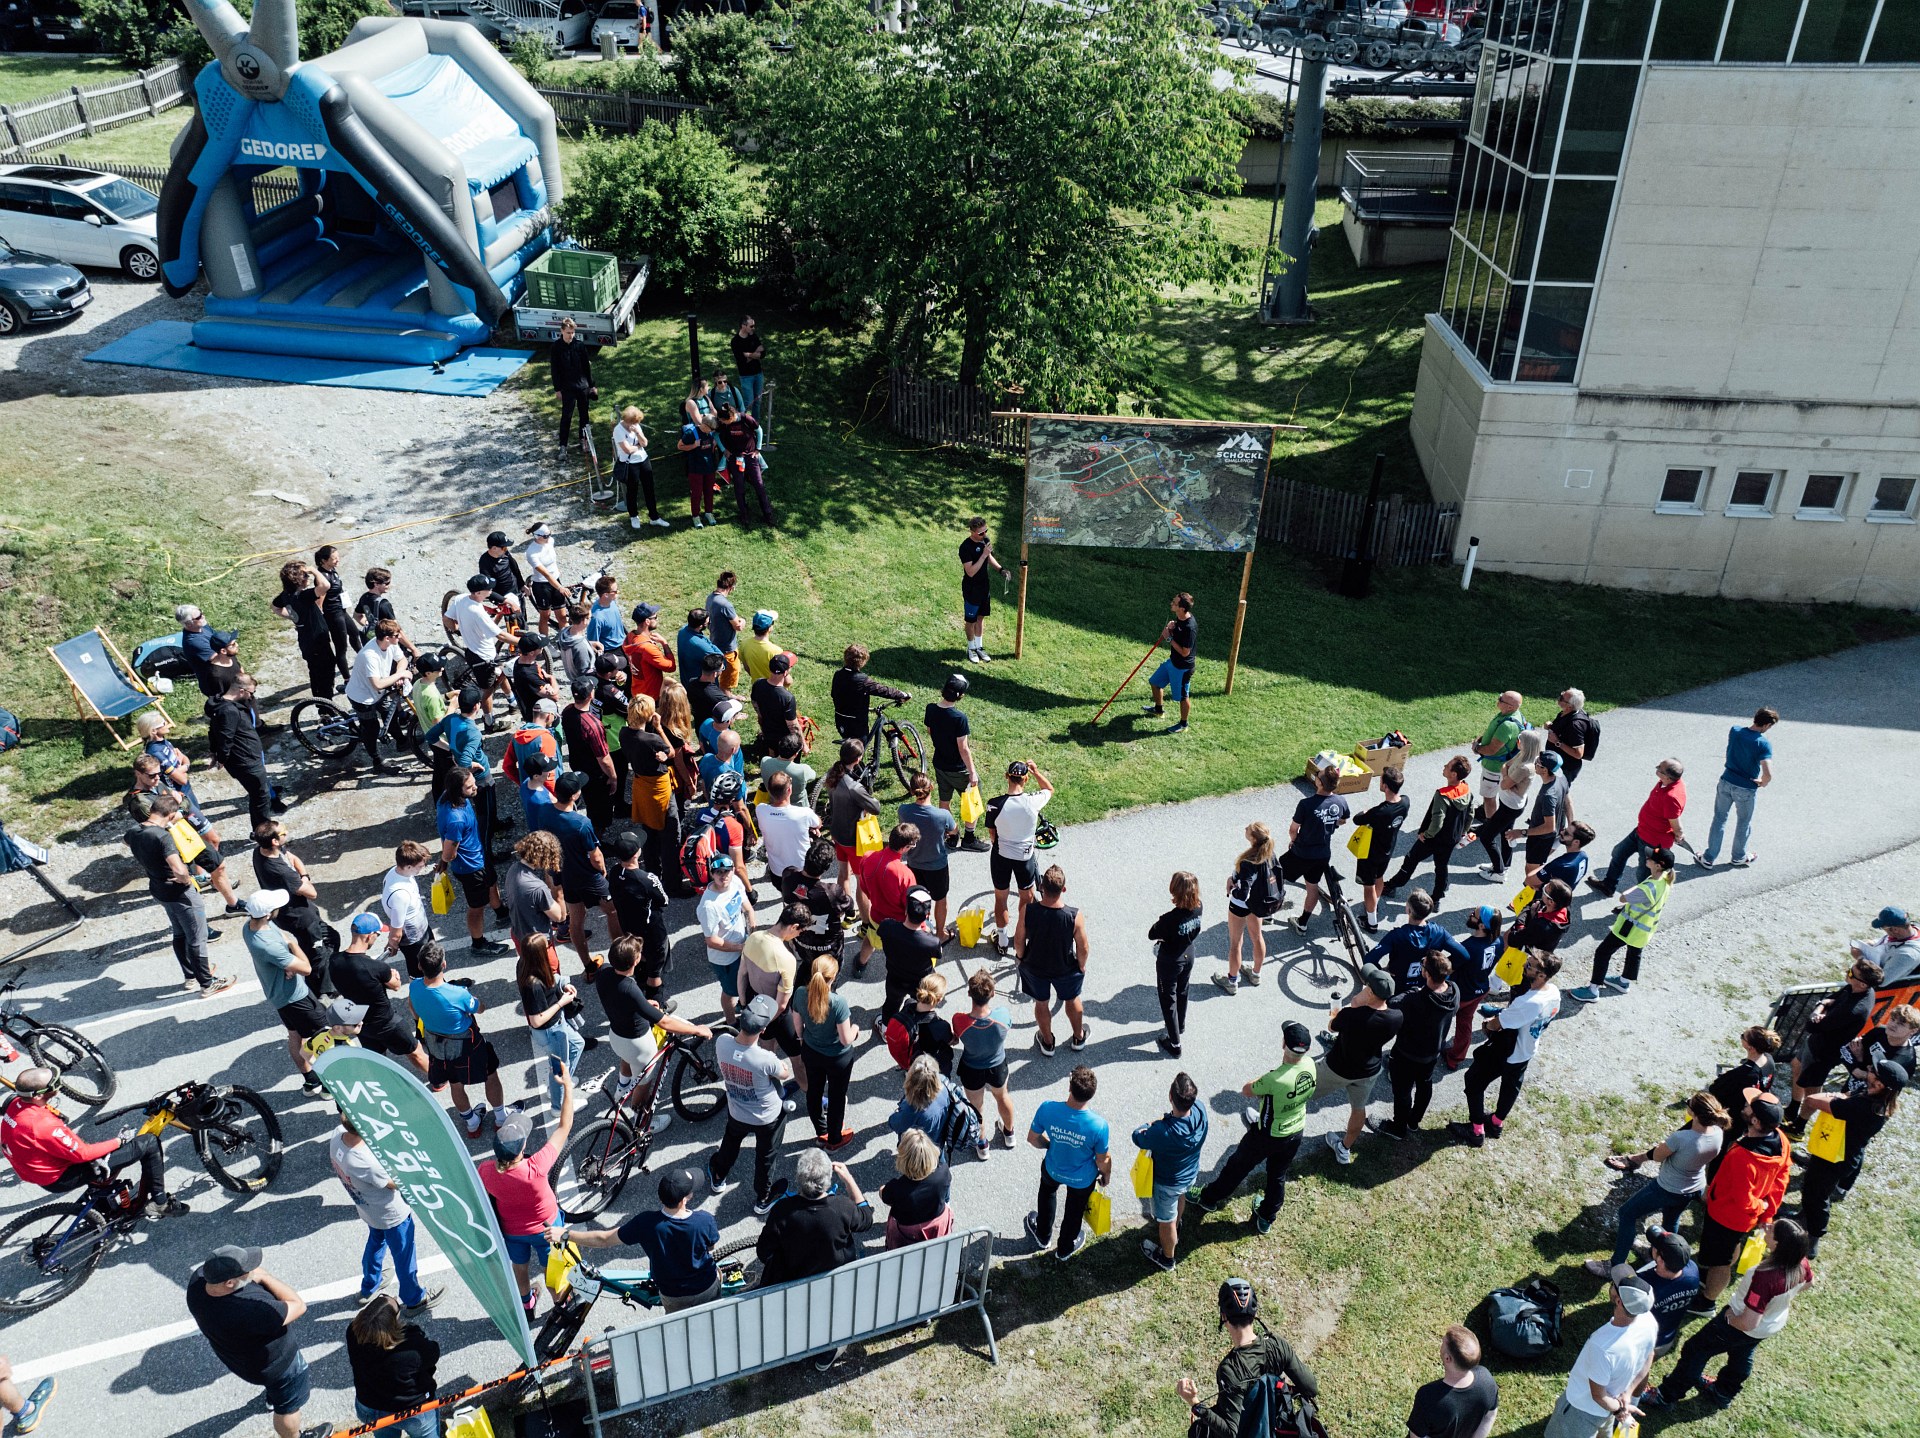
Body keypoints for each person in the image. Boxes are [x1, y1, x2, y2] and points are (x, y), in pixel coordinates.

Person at [1642, 1219, 1812, 1413]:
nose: (1767, 1226)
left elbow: (1748, 1322)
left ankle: (1666, 1396)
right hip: (1769, 1325)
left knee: (1695, 1351)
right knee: (1742, 1355)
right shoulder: (1800, 1262)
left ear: (1778, 1243)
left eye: (1771, 1229)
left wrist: (1730, 1318)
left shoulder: (1765, 1277)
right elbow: (1808, 1283)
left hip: (1739, 1324)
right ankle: (1723, 1392)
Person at [2, 1064, 187, 1215]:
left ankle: (103, 1198)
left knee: (102, 1154)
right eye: (55, 1084)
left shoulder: (15, 1103)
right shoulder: (44, 1125)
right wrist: (120, 1141)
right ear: (38, 1095)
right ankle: (160, 1203)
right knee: (149, 1143)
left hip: (32, 1170)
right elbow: (84, 1154)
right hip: (60, 1177)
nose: (59, 1084)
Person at [187, 1245, 331, 1438]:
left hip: (242, 1361)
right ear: (229, 1283)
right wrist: (265, 1278)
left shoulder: (197, 1283)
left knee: (276, 1391)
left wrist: (246, 1276)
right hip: (280, 1367)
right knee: (288, 1408)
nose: (253, 1271)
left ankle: (272, 1397)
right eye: (247, 1271)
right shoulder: (252, 1311)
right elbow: (298, 1306)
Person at [1189, 1021, 1318, 1233]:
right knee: (1277, 1176)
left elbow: (1247, 1090)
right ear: (1308, 1049)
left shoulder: (1274, 1079)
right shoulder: (1311, 1065)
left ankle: (1208, 1198)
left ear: (1283, 1044)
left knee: (1236, 1167)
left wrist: (1268, 1078)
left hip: (1267, 1135)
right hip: (1295, 1131)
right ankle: (1267, 1216)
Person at [1585, 1092, 1729, 1274]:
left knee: (1627, 1213)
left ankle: (1615, 1265)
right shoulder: (1718, 1133)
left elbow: (1658, 1156)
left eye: (1688, 1103)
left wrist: (1663, 1146)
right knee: (1671, 1221)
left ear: (1693, 1113)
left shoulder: (1682, 1138)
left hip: (1668, 1188)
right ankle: (1659, 1256)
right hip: (1693, 1188)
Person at [756, 1149, 874, 1369]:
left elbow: (763, 1251)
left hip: (794, 1283)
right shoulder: (842, 1207)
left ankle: (795, 1350)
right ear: (827, 1180)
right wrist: (849, 1179)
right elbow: (866, 1219)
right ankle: (826, 1354)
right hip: (836, 1283)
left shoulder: (783, 1210)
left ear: (799, 1180)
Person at [555, 1166, 724, 1312]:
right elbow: (710, 1248)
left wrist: (566, 1235)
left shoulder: (645, 1223)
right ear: (685, 1199)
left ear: (661, 1198)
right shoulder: (704, 1220)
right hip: (705, 1287)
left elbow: (604, 1239)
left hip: (672, 1294)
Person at [478, 1072, 575, 1319]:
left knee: (519, 1267)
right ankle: (561, 1305)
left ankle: (527, 1304)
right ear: (522, 1148)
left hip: (512, 1232)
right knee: (552, 1269)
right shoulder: (536, 1167)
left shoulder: (486, 1171)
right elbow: (565, 1126)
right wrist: (568, 1088)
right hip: (547, 1229)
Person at [1176, 1279, 1319, 1438]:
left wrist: (1195, 1403)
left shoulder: (1230, 1369)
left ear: (1224, 1316)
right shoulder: (1277, 1346)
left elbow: (1231, 1432)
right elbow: (1311, 1388)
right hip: (1276, 1427)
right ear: (1255, 1313)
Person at [1447, 952, 1562, 1148]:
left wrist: (1487, 1024)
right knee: (1510, 1087)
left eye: (1530, 965)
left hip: (1506, 1052)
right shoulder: (1553, 992)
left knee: (1473, 1081)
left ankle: (1476, 1131)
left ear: (1542, 975)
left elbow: (1497, 1024)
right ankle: (1496, 1123)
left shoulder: (1528, 1002)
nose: (1524, 965)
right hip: (1526, 1050)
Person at [330, 1114, 443, 1314]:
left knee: (375, 1243)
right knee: (404, 1255)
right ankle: (414, 1298)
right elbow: (396, 1183)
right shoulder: (365, 1161)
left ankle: (370, 1285)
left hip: (368, 1209)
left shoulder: (337, 1136)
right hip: (392, 1214)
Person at [124, 792, 233, 996]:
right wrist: (186, 879)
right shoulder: (163, 836)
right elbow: (179, 869)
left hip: (159, 889)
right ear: (171, 815)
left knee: (179, 932)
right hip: (180, 892)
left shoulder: (134, 831)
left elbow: (127, 842)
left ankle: (190, 975)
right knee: (198, 936)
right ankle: (207, 983)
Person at [1693, 1087, 1792, 1309]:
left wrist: (1761, 1206)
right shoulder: (1781, 1140)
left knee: (1721, 1262)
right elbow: (1781, 1179)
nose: (1744, 1106)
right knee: (1728, 1249)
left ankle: (1706, 1302)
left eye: (1749, 1106)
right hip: (1739, 1218)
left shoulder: (1743, 1157)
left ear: (1755, 1121)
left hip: (1727, 1217)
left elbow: (1743, 1200)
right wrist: (1767, 1213)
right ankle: (1709, 1273)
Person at [134, 712, 242, 913]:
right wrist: (184, 766)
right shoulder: (155, 752)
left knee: (206, 839)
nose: (168, 724)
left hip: (185, 797)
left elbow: (183, 758)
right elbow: (182, 776)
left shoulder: (164, 742)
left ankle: (205, 877)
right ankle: (210, 876)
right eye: (163, 722)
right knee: (212, 838)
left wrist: (183, 764)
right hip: (180, 801)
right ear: (153, 730)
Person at [1793, 1059, 1902, 1255]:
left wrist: (1834, 1096)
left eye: (1873, 1070)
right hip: (1836, 1153)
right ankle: (1803, 1218)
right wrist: (1838, 1097)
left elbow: (1811, 1100)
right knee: (1812, 1190)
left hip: (1835, 1159)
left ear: (1879, 1084)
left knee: (1818, 1197)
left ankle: (1813, 1238)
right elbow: (1843, 1096)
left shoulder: (1864, 1107)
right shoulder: (1872, 1096)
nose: (1868, 1069)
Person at [1543, 1266, 1657, 1438]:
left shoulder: (1602, 1346)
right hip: (1610, 1408)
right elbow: (1649, 1357)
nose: (1611, 1285)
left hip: (1581, 1410)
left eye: (1613, 1285)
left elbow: (1598, 1396)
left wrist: (1619, 1410)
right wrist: (1627, 1394)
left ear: (1618, 1301)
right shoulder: (1649, 1321)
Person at [409, 946, 510, 1137]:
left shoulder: (414, 987)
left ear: (420, 966)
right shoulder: (458, 994)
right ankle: (500, 1117)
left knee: (455, 1083)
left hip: (438, 1047)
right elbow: (480, 1008)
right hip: (467, 1046)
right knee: (490, 1074)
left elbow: (412, 1007)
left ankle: (472, 1123)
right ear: (444, 965)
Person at [709, 995, 793, 1216]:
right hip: (767, 1116)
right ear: (763, 1030)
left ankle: (718, 1176)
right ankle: (763, 1198)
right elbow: (784, 1073)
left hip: (737, 1109)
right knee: (766, 1156)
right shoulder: (766, 1059)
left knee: (730, 1141)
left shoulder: (722, 1042)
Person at [534, 772, 620, 978]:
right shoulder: (581, 823)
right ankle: (621, 960)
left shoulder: (544, 812)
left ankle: (589, 967)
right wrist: (602, 870)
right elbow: (595, 856)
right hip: (588, 877)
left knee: (576, 920)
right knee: (613, 911)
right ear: (574, 795)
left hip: (566, 877)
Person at [242, 889, 328, 1093]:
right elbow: (306, 968)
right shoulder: (267, 946)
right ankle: (328, 1086)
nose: (278, 908)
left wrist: (286, 964)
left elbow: (277, 942)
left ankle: (311, 1081)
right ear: (267, 914)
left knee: (295, 1035)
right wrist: (292, 945)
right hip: (296, 998)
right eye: (274, 907)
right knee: (324, 1038)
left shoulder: (249, 927)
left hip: (280, 996)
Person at [1316, 964, 1403, 1164]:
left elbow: (1332, 1026)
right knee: (1358, 1108)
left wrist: (1354, 1003)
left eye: (1367, 986)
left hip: (1338, 1068)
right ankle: (1344, 1148)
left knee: (1301, 1087)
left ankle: (1270, 1117)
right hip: (1368, 1071)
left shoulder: (1351, 1015)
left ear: (1370, 992)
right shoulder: (1396, 1017)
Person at [1024, 1065, 1110, 1261]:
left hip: (1053, 1168)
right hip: (1082, 1178)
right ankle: (1064, 1248)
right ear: (1092, 1094)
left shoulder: (1047, 1108)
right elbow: (1102, 1159)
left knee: (1047, 1193)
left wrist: (1050, 1145)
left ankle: (1043, 1235)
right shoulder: (1099, 1125)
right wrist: (1106, 1174)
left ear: (1070, 1088)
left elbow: (1032, 1138)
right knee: (1074, 1210)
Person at [1783, 957, 1880, 1129]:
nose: (1847, 974)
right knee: (1796, 1065)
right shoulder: (1856, 988)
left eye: (1851, 973)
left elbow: (1811, 1025)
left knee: (1812, 1091)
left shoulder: (1854, 1009)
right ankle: (1792, 1109)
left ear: (1863, 984)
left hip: (1823, 1053)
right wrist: (1824, 1004)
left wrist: (1820, 1008)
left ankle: (1799, 1126)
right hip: (1816, 1043)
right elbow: (1833, 997)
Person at [1569, 847, 1674, 1002]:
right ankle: (1624, 982)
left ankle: (1593, 990)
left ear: (1658, 865)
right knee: (1634, 953)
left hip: (1629, 928)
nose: (1647, 857)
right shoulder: (1665, 879)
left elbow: (1623, 898)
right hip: (1645, 929)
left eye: (1650, 858)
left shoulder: (1648, 888)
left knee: (1602, 952)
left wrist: (1637, 886)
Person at [332, 914, 429, 1077]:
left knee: (378, 1063)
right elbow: (396, 986)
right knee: (415, 1052)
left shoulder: (334, 961)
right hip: (387, 1022)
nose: (376, 938)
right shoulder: (376, 967)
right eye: (377, 934)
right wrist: (393, 974)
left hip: (361, 1023)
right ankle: (439, 1081)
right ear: (369, 936)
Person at [251, 820, 338, 993]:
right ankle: (321, 989)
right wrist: (304, 877)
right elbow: (312, 893)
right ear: (274, 841)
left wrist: (302, 874)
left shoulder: (261, 851)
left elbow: (293, 858)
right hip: (301, 918)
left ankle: (325, 979)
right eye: (283, 832)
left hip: (287, 913)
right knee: (317, 951)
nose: (286, 833)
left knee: (331, 939)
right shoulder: (282, 872)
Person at [1133, 1072, 1209, 1271]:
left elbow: (1138, 1137)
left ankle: (1167, 1258)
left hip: (1167, 1183)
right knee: (1180, 1198)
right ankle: (1178, 1222)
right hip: (1189, 1173)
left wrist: (1148, 1125)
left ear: (1170, 1097)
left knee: (1165, 1221)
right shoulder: (1200, 1110)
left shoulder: (1163, 1131)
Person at [1379, 952, 1459, 1140]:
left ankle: (1398, 1128)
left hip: (1406, 1054)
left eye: (1423, 965)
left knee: (1402, 1092)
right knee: (1424, 1086)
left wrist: (1411, 991)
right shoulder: (1454, 991)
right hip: (1432, 1053)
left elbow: (1391, 1003)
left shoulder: (1414, 999)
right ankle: (1414, 1121)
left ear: (1427, 974)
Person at [1381, 756, 1476, 907]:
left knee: (1411, 859)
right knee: (1441, 866)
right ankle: (1436, 898)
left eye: (1447, 766)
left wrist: (1426, 834)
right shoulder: (1466, 790)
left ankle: (1392, 886)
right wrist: (1462, 832)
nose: (1444, 766)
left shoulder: (1442, 795)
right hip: (1452, 838)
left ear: (1453, 775)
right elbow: (1470, 814)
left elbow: (1437, 821)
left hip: (1433, 838)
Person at [436, 771, 511, 958]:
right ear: (457, 790)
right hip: (471, 868)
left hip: (479, 856)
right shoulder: (456, 819)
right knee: (477, 907)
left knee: (491, 882)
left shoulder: (450, 797)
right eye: (469, 787)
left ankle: (502, 912)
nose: (475, 787)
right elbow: (449, 853)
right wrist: (444, 861)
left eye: (473, 783)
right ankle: (478, 944)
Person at [1017, 864, 1090, 1055]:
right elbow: (1083, 947)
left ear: (1041, 887)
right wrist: (1081, 965)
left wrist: (1020, 957)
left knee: (1041, 1003)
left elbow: (1018, 940)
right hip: (1064, 967)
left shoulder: (1027, 910)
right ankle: (1078, 1036)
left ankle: (1048, 1042)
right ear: (1063, 889)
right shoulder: (1074, 916)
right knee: (1072, 999)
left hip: (1035, 966)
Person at [344, 1295, 441, 1438]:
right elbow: (433, 1352)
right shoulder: (410, 1348)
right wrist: (413, 1331)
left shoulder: (353, 1333)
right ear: (393, 1322)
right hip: (411, 1411)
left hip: (369, 1406)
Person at [1591, 759, 1688, 896]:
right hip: (1641, 830)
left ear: (1667, 777)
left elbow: (1675, 823)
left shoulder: (1671, 797)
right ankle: (1608, 885)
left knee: (1644, 874)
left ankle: (1640, 902)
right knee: (1619, 852)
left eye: (1659, 768)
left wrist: (1679, 834)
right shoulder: (1666, 782)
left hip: (1653, 842)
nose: (1657, 768)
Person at [740, 901, 809, 1094]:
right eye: (800, 931)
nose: (798, 935)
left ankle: (771, 1089)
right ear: (794, 927)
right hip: (776, 1015)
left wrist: (746, 1006)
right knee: (798, 1059)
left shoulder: (753, 937)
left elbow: (742, 974)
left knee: (766, 1051)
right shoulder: (786, 959)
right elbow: (781, 1005)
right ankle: (811, 1095)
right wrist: (765, 1023)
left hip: (754, 1003)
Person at [986, 760, 1054, 951]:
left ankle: (1002, 941)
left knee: (1001, 898)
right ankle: (1021, 937)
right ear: (1025, 779)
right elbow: (1049, 789)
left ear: (1006, 777)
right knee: (1027, 898)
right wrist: (1036, 772)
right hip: (1025, 859)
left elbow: (992, 833)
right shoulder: (1033, 801)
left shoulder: (994, 804)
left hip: (1001, 856)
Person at [517, 935, 587, 1114]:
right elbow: (536, 1020)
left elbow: (551, 977)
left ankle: (558, 1086)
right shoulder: (533, 985)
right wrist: (562, 1002)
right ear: (540, 954)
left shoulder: (525, 964)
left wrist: (563, 983)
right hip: (551, 1031)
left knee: (577, 1045)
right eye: (546, 946)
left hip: (557, 1025)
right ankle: (559, 1106)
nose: (549, 947)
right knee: (560, 1068)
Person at [1700, 706, 1776, 868]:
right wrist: (1763, 782)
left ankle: (1708, 857)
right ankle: (1738, 856)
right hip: (1745, 788)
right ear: (1767, 725)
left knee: (1719, 819)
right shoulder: (1763, 744)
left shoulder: (1735, 731)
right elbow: (1768, 773)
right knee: (1743, 822)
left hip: (1726, 781)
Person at [207, 671, 283, 830]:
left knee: (260, 790)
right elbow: (225, 737)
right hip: (245, 761)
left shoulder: (221, 704)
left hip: (250, 756)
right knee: (260, 796)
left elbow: (213, 730)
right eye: (251, 693)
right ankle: (263, 832)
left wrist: (214, 751)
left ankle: (262, 825)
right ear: (241, 691)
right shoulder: (229, 711)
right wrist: (221, 758)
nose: (251, 697)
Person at [953, 968, 1016, 1155]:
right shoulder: (1002, 1016)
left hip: (971, 1069)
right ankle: (1009, 1133)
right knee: (1002, 1096)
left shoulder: (959, 1020)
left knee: (976, 1107)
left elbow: (956, 1035)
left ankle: (982, 1145)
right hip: (997, 1066)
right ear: (993, 994)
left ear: (969, 994)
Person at [799, 954, 860, 1148]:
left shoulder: (800, 993)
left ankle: (821, 1131)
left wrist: (804, 1040)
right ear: (833, 977)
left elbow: (798, 1026)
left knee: (814, 1091)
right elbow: (845, 1039)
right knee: (836, 1096)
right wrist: (856, 1029)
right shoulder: (838, 1002)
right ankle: (834, 1140)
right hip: (837, 1058)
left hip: (811, 1051)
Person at [604, 834, 671, 1005]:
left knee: (639, 961)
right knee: (655, 971)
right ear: (636, 854)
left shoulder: (614, 872)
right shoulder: (647, 879)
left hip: (629, 929)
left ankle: (640, 993)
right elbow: (664, 900)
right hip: (652, 932)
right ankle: (657, 1006)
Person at [1282, 766, 1350, 932]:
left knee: (1275, 874)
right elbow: (1343, 820)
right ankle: (1303, 923)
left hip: (1301, 853)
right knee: (1312, 888)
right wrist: (1330, 823)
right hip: (1322, 855)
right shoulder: (1340, 801)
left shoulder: (1306, 804)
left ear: (1319, 782)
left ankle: (1268, 911)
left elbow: (1293, 829)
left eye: (1318, 775)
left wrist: (1294, 841)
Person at [1366, 888, 1469, 996]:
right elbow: (1463, 955)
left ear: (1409, 910)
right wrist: (1440, 967)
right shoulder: (1439, 933)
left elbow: (1369, 959)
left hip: (1397, 984)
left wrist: (1381, 972)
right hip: (1425, 984)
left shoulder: (1397, 935)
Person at [1472, 729, 1545, 878]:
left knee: (1486, 837)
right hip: (1508, 802)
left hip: (1510, 807)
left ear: (1526, 744)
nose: (1517, 742)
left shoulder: (1525, 767)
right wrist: (1507, 776)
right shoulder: (1523, 754)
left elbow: (1504, 784)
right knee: (1507, 835)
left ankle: (1499, 871)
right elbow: (1505, 766)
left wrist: (1506, 777)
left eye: (1520, 740)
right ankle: (1504, 864)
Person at [1217, 822, 1278, 992]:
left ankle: (1232, 982)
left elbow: (1243, 893)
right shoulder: (1269, 854)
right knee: (1257, 937)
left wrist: (1232, 888)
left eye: (1248, 829)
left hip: (1241, 906)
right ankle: (1255, 974)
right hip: (1258, 903)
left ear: (1253, 838)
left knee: (1236, 943)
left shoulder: (1248, 862)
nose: (1245, 828)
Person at [1407, 1326, 1499, 1438]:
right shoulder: (1487, 1380)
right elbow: (1490, 1416)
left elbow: (1416, 1436)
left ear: (1447, 1358)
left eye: (1443, 1342)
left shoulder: (1429, 1396)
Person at [895, 772, 957, 934]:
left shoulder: (904, 811)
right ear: (932, 788)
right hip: (937, 867)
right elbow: (954, 830)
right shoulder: (943, 815)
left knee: (916, 898)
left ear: (911, 791)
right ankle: (940, 934)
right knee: (940, 899)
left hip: (914, 864)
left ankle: (919, 929)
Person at [1150, 871, 1204, 1057]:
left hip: (1170, 961)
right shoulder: (1199, 907)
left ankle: (1175, 1044)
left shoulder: (1169, 919)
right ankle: (1179, 1025)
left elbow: (1152, 933)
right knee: (1182, 990)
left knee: (1168, 1001)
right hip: (1189, 953)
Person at [877, 886, 942, 1037]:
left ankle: (886, 1030)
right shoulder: (932, 942)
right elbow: (938, 954)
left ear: (906, 910)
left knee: (891, 1004)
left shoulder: (887, 927)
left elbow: (882, 932)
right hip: (920, 983)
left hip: (895, 978)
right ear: (927, 915)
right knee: (922, 1005)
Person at [697, 853, 753, 1023]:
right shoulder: (709, 906)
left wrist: (752, 932)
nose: (723, 876)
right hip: (725, 959)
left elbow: (747, 908)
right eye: (719, 872)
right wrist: (741, 947)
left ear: (733, 870)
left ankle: (742, 1004)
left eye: (727, 871)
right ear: (712, 874)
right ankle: (731, 1022)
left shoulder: (735, 882)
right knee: (730, 992)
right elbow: (711, 941)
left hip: (742, 945)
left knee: (745, 983)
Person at [1352, 765, 1409, 932]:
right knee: (1379, 876)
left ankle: (1371, 922)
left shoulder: (1380, 812)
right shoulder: (1405, 802)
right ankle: (1374, 905)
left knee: (1368, 885)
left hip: (1371, 854)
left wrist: (1366, 811)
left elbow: (1357, 819)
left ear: (1386, 786)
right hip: (1387, 851)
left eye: (1381, 780)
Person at [1445, 906, 1503, 1070]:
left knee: (1439, 1022)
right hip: (1479, 990)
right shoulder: (1498, 942)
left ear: (1482, 926)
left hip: (1460, 994)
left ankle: (1428, 1051)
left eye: (1474, 915)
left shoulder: (1469, 947)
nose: (1470, 915)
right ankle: (1455, 1058)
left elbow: (1448, 968)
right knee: (1465, 1023)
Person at [275, 558, 339, 699]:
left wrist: (294, 617)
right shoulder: (303, 596)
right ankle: (326, 704)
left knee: (315, 672)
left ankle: (320, 702)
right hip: (317, 642)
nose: (308, 576)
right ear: (297, 580)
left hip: (306, 640)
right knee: (325, 673)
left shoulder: (286, 595)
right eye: (305, 575)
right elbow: (325, 585)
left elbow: (275, 607)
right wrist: (314, 570)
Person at [561, 676, 618, 831]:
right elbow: (604, 758)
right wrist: (613, 777)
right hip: (595, 774)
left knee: (590, 801)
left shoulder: (567, 711)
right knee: (600, 810)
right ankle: (596, 838)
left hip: (578, 765)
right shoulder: (592, 725)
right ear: (591, 695)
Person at [858, 822, 919, 967]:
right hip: (899, 923)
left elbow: (863, 888)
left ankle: (860, 965)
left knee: (870, 941)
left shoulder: (867, 857)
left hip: (876, 917)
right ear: (905, 848)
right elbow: (910, 907)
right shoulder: (905, 874)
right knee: (900, 950)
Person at [825, 738, 881, 894]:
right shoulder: (854, 788)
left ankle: (844, 905)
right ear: (858, 759)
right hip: (853, 841)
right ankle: (862, 910)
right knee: (861, 880)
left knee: (843, 873)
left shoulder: (832, 774)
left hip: (837, 834)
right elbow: (876, 808)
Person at [881, 1129, 953, 1248]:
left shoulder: (898, 1188)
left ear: (904, 1160)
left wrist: (882, 1189)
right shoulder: (943, 1173)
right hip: (937, 1222)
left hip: (908, 1232)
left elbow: (884, 1195)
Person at [1704, 1025, 1779, 1136]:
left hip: (1731, 1118)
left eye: (1743, 1036)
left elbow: (1715, 1089)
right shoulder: (1769, 1060)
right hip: (1748, 1115)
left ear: (1750, 1047)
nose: (1741, 1037)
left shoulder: (1745, 1073)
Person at [1637, 1229, 1702, 1358]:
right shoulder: (1692, 1270)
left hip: (1642, 1344)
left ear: (1660, 1260)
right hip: (1665, 1341)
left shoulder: (1643, 1283)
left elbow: (1615, 1296)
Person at [1510, 748, 1569, 886]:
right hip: (1558, 831)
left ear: (1544, 770)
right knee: (1538, 867)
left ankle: (1535, 895)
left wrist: (1521, 833)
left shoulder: (1548, 795)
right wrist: (1571, 823)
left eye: (1538, 762)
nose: (1535, 763)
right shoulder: (1561, 778)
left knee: (1532, 873)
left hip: (1541, 839)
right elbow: (1568, 800)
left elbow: (1549, 827)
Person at [830, 643, 908, 745]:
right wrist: (901, 694)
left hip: (841, 721)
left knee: (852, 748)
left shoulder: (838, 674)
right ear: (862, 662)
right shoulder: (862, 680)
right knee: (860, 747)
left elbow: (834, 694)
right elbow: (882, 690)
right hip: (857, 726)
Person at [958, 516, 1011, 662]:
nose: (984, 535)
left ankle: (979, 647)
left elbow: (989, 558)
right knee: (971, 620)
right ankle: (971, 648)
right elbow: (970, 572)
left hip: (984, 587)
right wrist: (983, 555)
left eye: (986, 531)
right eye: (981, 533)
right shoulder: (965, 547)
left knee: (980, 618)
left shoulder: (984, 541)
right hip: (972, 589)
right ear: (972, 531)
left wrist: (1001, 570)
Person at [1144, 591, 1198, 732]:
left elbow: (1185, 652)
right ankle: (1158, 710)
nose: (1171, 604)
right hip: (1172, 662)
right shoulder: (1180, 618)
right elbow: (1178, 634)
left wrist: (1169, 638)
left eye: (1174, 603)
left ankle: (1183, 724)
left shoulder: (1190, 627)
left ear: (1182, 608)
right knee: (1155, 682)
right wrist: (1172, 628)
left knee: (1183, 697)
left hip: (1183, 668)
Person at [1469, 690, 1526, 814]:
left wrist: (1477, 749)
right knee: (1491, 795)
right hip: (1503, 765)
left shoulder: (1507, 725)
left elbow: (1491, 750)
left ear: (1510, 707)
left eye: (1501, 699)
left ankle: (1489, 821)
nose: (1498, 699)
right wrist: (1481, 739)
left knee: (1489, 797)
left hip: (1493, 769)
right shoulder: (1512, 715)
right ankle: (1487, 813)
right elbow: (1494, 733)